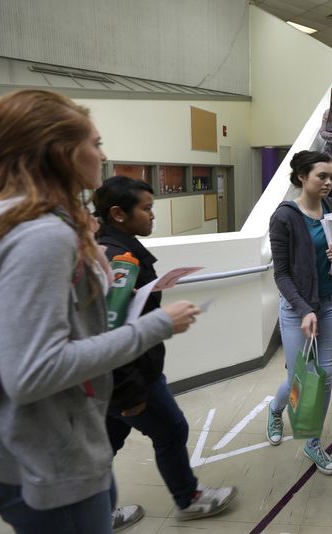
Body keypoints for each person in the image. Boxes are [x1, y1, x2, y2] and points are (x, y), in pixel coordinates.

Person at [0, 89, 200, 533]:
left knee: (106, 490)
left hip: (7, 445)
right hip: (45, 460)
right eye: (95, 143)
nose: (102, 155)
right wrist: (155, 326)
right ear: (62, 152)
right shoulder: (41, 235)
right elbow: (34, 371)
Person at [94, 177, 236, 528]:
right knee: (171, 430)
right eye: (146, 208)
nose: (153, 215)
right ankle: (189, 498)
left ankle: (98, 515)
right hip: (132, 376)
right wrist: (129, 392)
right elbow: (111, 331)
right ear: (118, 214)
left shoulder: (112, 250)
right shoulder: (119, 259)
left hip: (113, 379)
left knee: (103, 446)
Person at [267, 151, 332, 474]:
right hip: (296, 309)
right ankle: (276, 410)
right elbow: (281, 274)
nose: (329, 182)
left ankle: (313, 442)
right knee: (298, 379)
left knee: (324, 377)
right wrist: (303, 309)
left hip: (329, 303)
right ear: (302, 177)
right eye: (322, 176)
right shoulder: (284, 217)